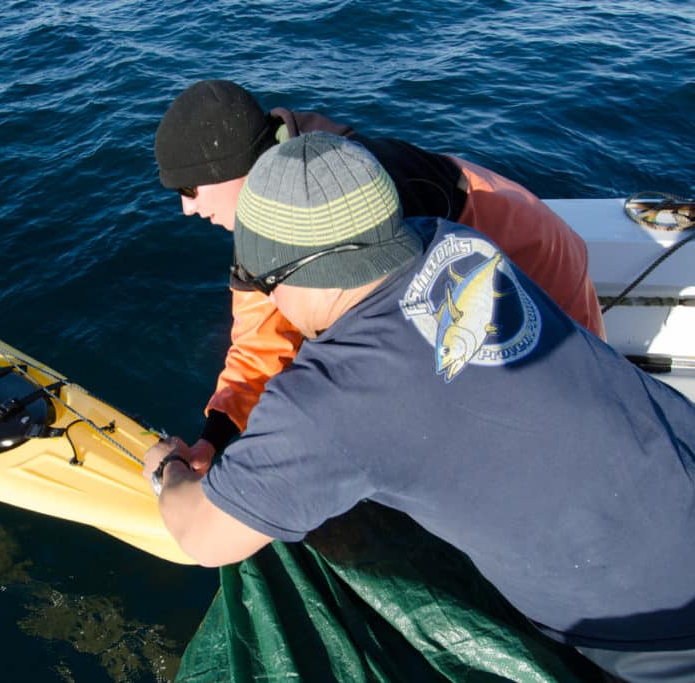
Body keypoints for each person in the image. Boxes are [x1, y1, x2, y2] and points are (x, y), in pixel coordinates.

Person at [145, 132, 695, 682]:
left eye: (263, 284)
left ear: (289, 273)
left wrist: (167, 467)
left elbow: (204, 538)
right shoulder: (453, 242)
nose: (271, 303)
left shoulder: (330, 399)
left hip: (659, 629)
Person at [153, 79, 606, 471]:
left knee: (565, 405)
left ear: (231, 168)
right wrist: (214, 439)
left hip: (520, 244)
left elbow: (401, 353)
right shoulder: (263, 225)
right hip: (449, 246)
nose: (186, 207)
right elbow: (259, 346)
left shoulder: (358, 203)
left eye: (190, 190)